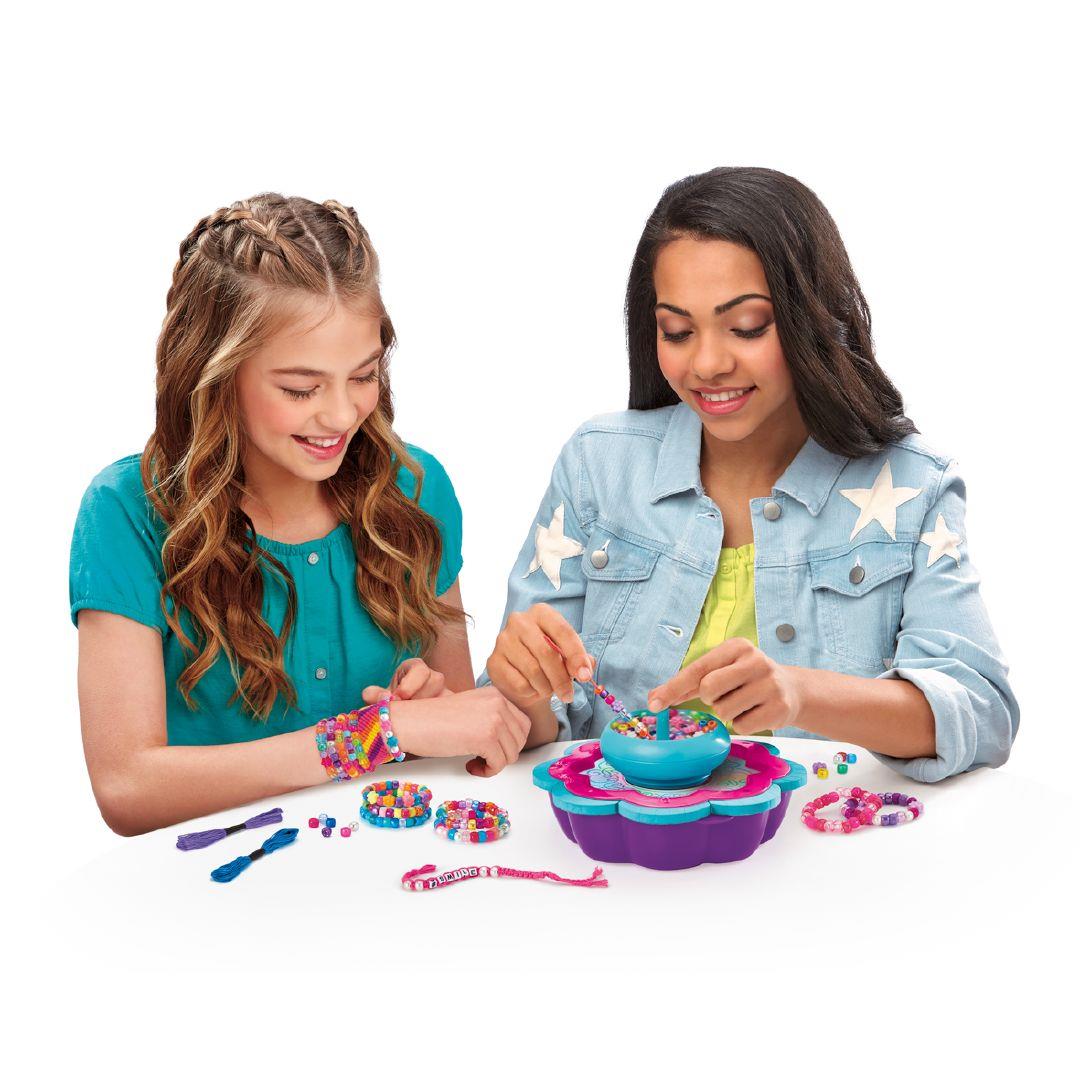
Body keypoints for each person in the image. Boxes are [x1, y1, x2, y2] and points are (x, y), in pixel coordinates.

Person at [482, 166, 1019, 783]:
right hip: (626, 835)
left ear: (812, 317)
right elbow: (534, 724)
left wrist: (801, 694)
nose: (708, 363)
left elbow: (980, 712)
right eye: (677, 331)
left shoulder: (914, 485)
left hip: (823, 836)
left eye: (746, 327)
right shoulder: (598, 465)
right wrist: (523, 686)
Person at [71, 193, 528, 836]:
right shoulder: (127, 512)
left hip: (384, 864)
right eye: (300, 388)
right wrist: (375, 733)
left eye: (363, 375)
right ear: (215, 373)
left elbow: (457, 738)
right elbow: (126, 787)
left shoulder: (416, 490)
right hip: (211, 880)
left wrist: (431, 708)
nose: (341, 415)